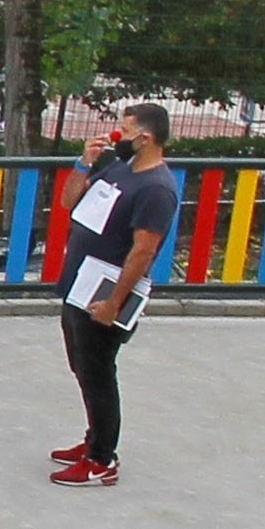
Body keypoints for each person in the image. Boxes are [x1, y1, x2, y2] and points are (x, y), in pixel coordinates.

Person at [50, 105, 177, 486]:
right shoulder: (119, 169)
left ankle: (102, 459)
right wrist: (83, 164)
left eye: (124, 130)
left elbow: (143, 250)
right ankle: (93, 441)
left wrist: (114, 303)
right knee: (82, 367)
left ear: (146, 137)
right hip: (78, 284)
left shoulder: (156, 189)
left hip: (104, 292)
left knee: (99, 373)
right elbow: (68, 202)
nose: (117, 137)